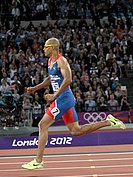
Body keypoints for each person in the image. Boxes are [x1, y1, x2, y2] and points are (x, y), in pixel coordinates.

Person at [22, 38, 126, 170]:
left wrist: (54, 95)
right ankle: (108, 122)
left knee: (43, 125)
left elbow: (68, 79)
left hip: (63, 99)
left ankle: (38, 161)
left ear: (53, 48)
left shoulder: (61, 60)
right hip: (62, 99)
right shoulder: (50, 61)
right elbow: (51, 78)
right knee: (76, 131)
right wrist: (36, 88)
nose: (44, 49)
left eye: (46, 47)